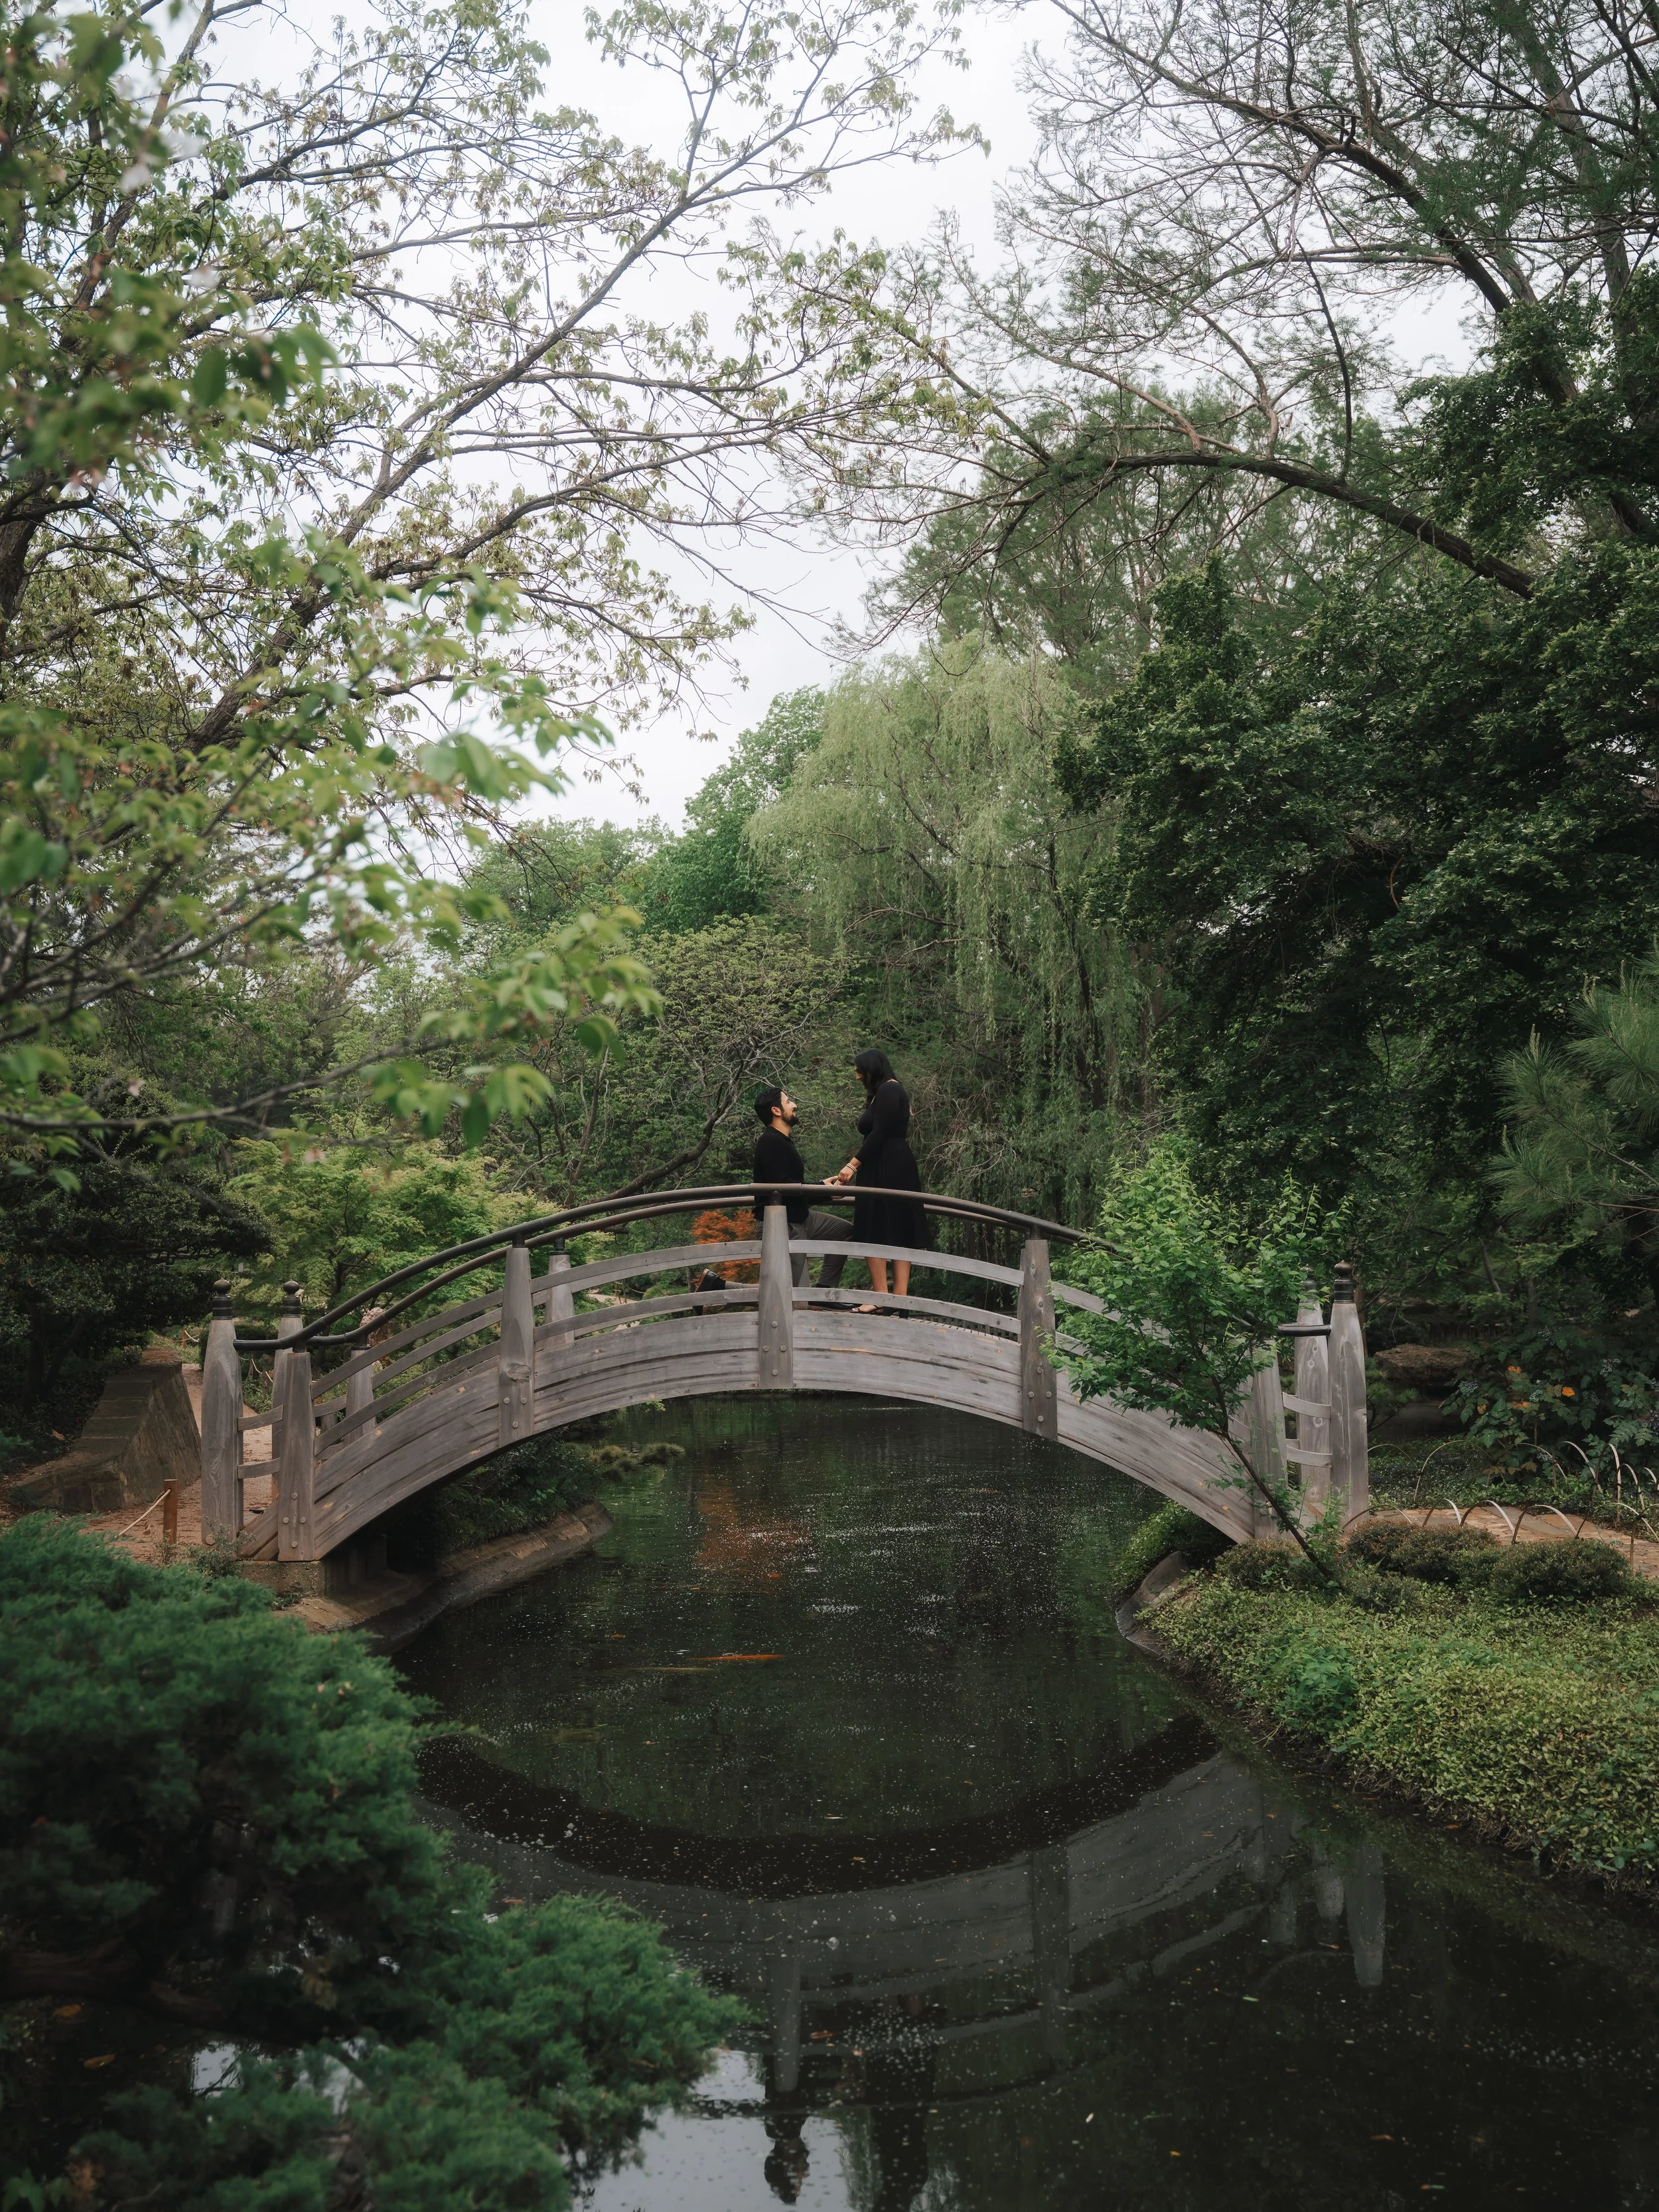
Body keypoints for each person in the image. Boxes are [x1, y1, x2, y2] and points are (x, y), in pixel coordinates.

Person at [825, 1048, 928, 1303]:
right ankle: (889, 1300)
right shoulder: (881, 1093)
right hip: (881, 1164)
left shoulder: (890, 1090)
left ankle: (887, 1299)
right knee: (881, 1226)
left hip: (890, 1164)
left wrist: (852, 1165)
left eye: (861, 1071)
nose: (858, 1077)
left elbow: (879, 1133)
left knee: (882, 1226)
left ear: (874, 1069)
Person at [752, 1086, 851, 1290]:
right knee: (785, 1292)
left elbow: (792, 1186)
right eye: (788, 1102)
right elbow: (780, 1187)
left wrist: (826, 1192)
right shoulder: (769, 1141)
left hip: (801, 1216)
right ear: (776, 1111)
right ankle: (721, 1286)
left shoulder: (783, 1141)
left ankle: (823, 1292)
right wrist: (820, 1188)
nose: (794, 1105)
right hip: (782, 1224)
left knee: (844, 1232)